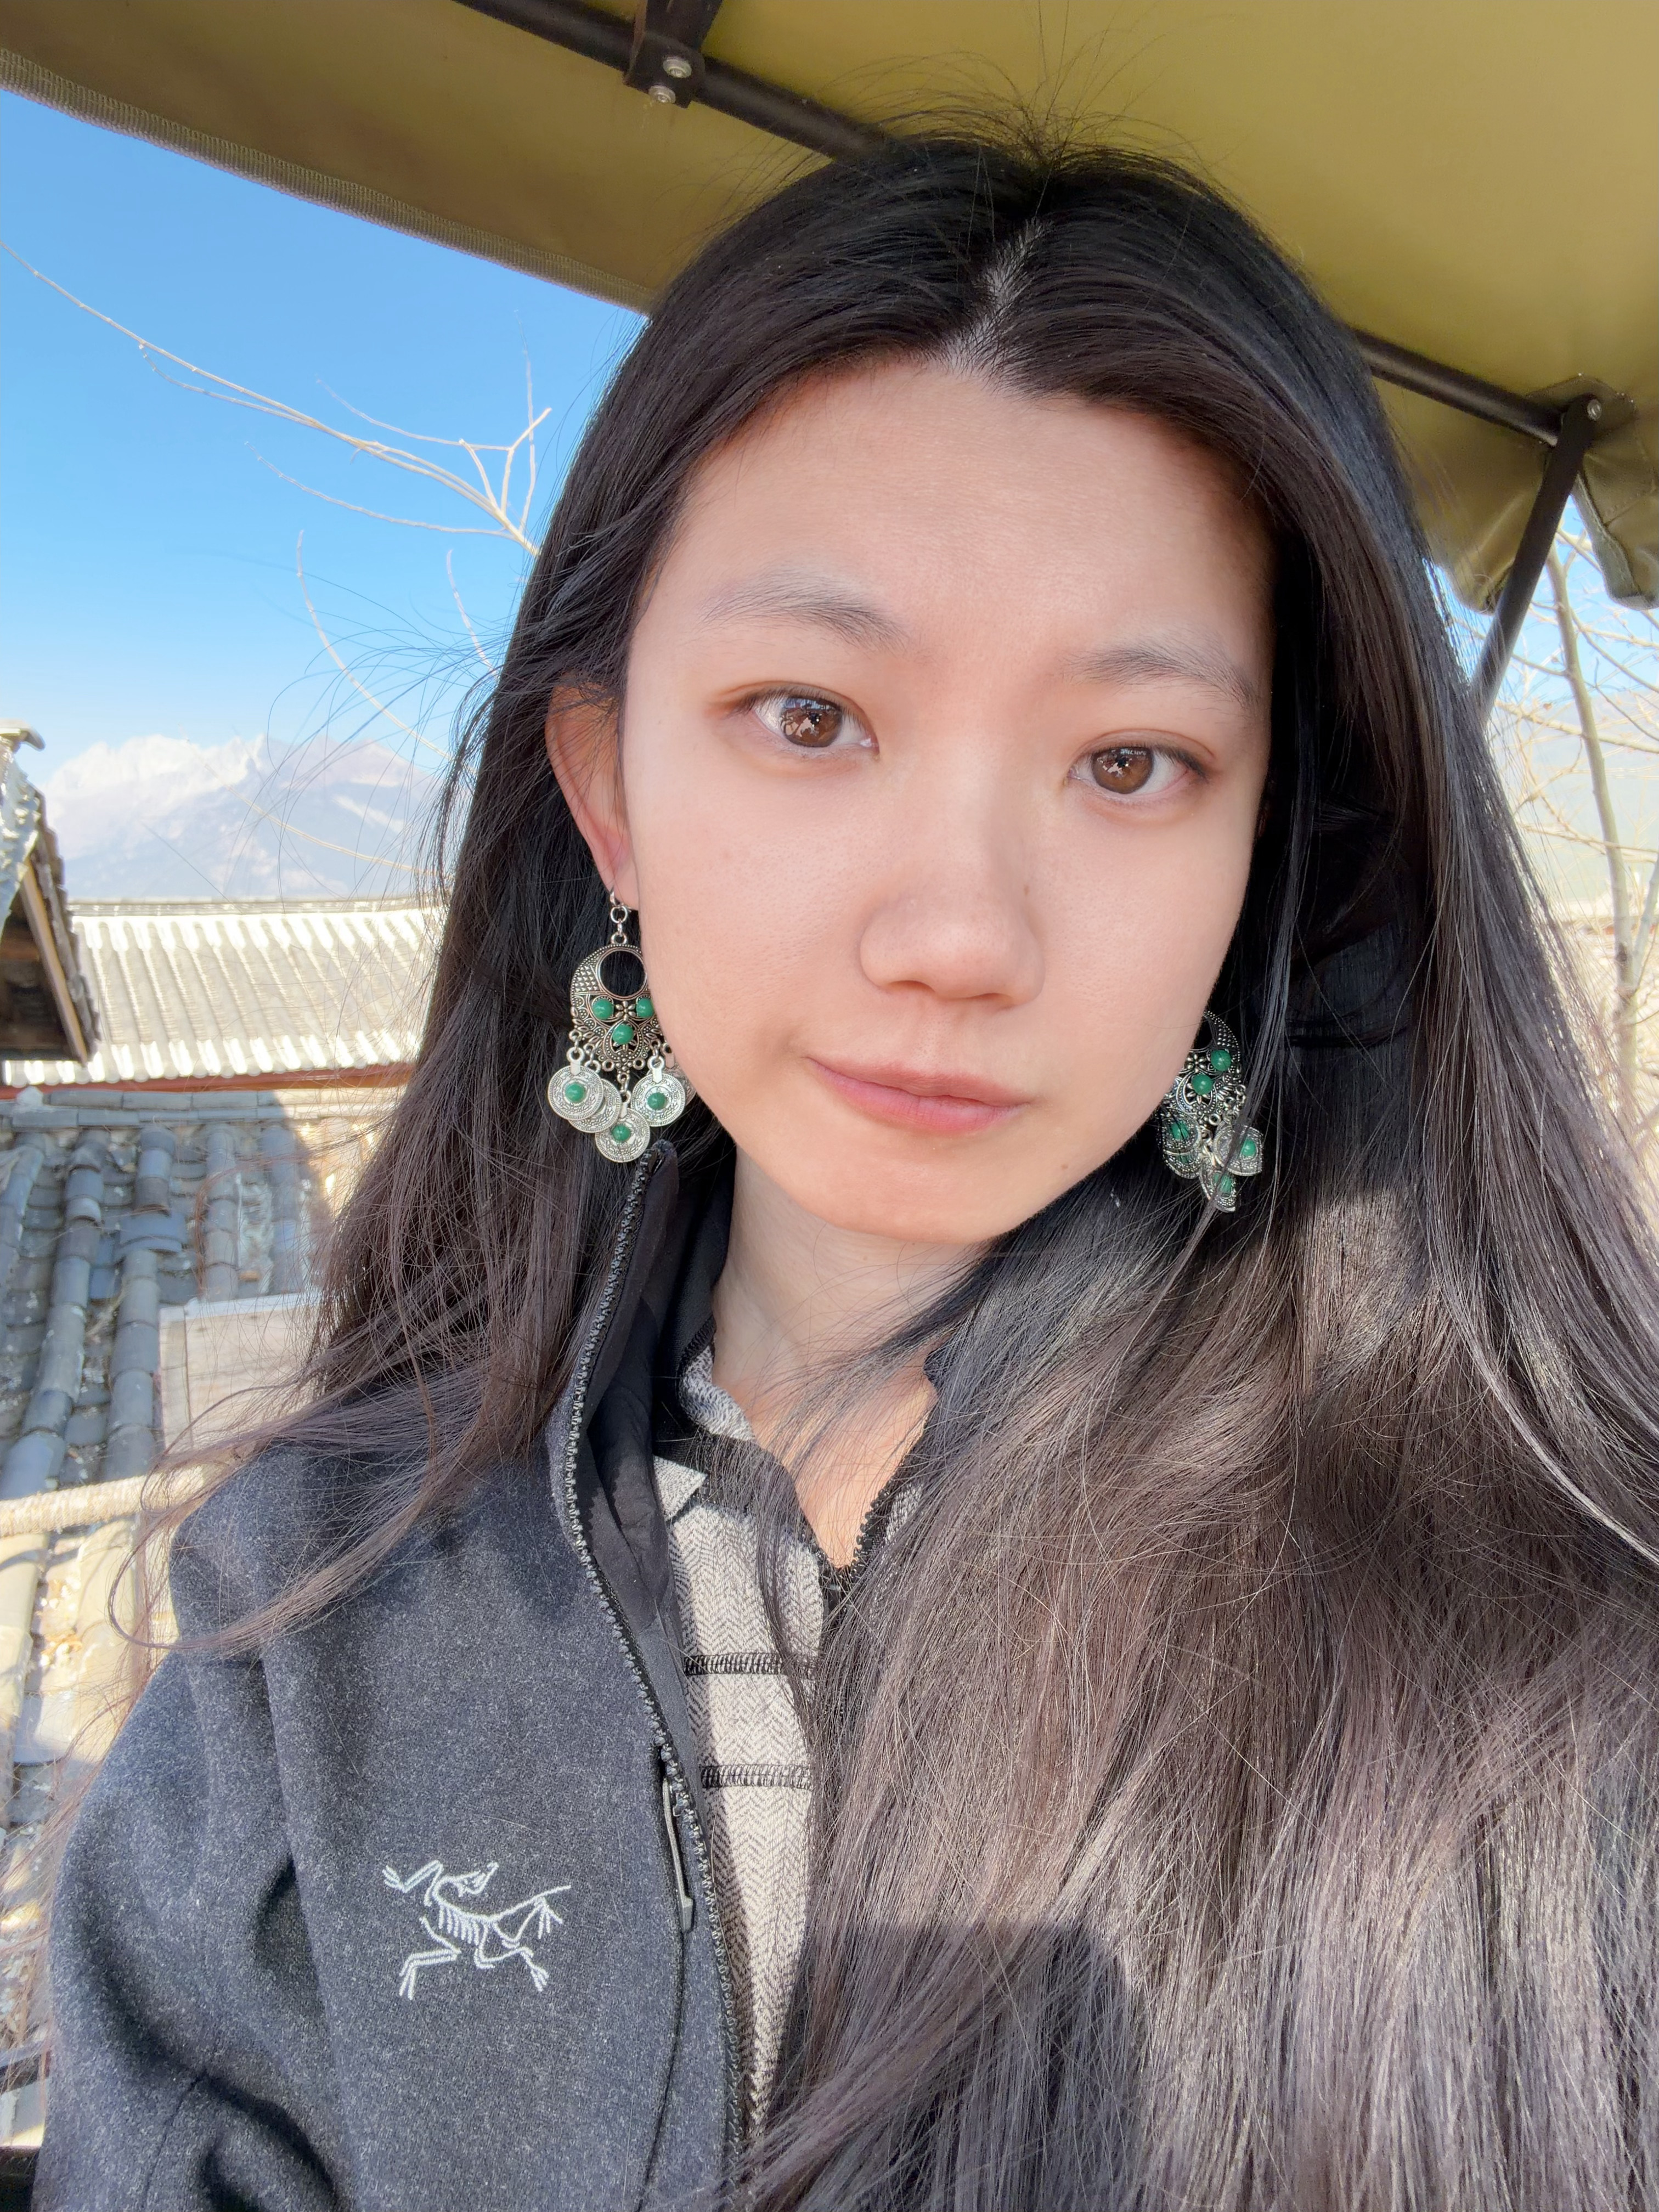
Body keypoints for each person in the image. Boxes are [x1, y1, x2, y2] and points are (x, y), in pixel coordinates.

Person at [37, 132, 1659, 2212]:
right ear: (611, 794)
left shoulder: (1544, 1650)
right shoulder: (316, 1617)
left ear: (1264, 853)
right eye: (809, 716)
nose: (959, 933)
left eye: (1131, 762)